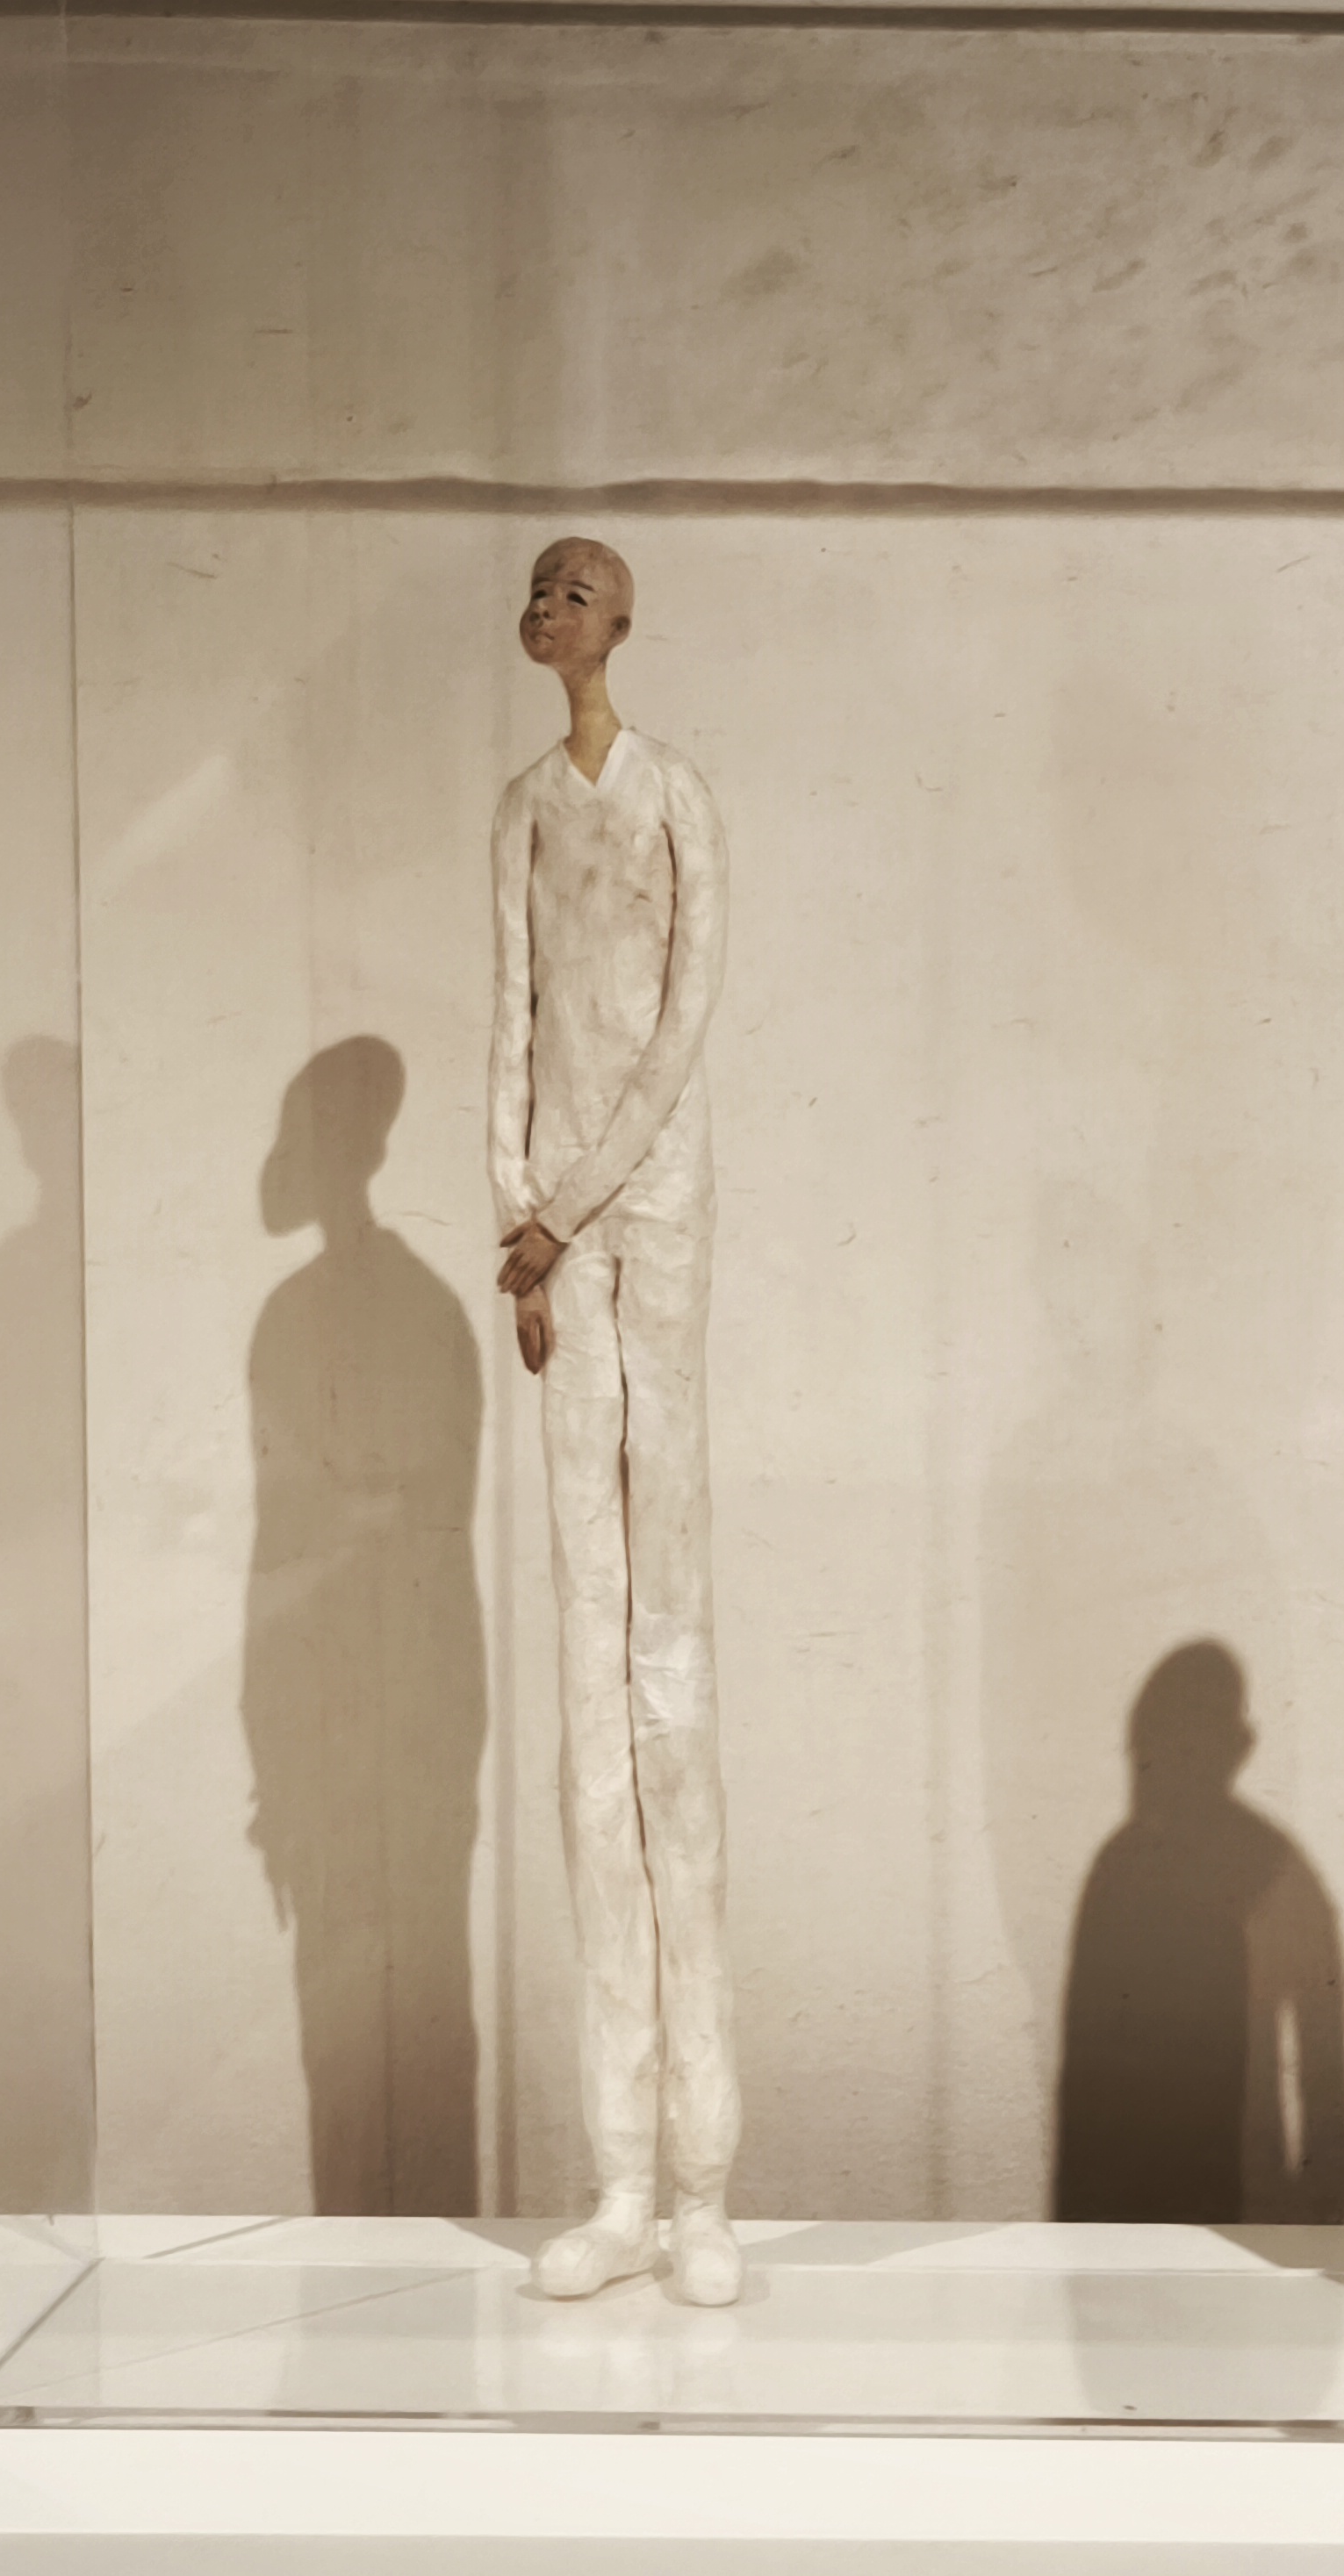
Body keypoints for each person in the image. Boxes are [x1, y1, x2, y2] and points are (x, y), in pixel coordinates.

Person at [488, 537, 744, 2307]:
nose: (549, 611)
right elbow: (509, 1017)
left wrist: (563, 1206)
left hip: (646, 1220)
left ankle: (704, 2184)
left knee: (671, 1679)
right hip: (556, 1250)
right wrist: (514, 1216)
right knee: (590, 1693)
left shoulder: (675, 799)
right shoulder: (520, 809)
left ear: (622, 622)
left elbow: (679, 1024)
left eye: (574, 593)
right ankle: (618, 2177)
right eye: (537, 591)